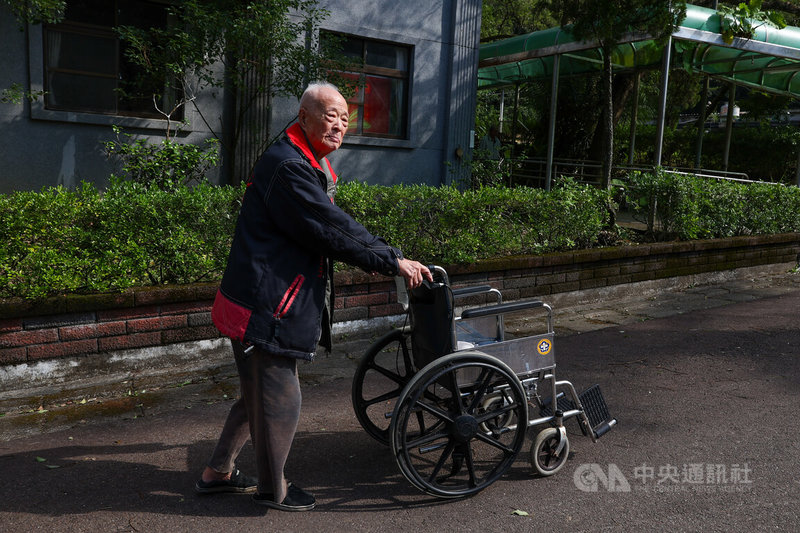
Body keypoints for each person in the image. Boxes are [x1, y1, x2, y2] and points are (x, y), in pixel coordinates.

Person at [194, 81, 432, 512]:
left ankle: (218, 472)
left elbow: (327, 225)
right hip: (268, 306)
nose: (339, 125)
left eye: (345, 118)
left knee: (255, 395)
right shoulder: (290, 168)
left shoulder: (296, 159)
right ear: (303, 116)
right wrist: (392, 259)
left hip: (255, 299)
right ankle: (273, 489)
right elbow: (331, 227)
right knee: (280, 398)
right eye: (330, 115)